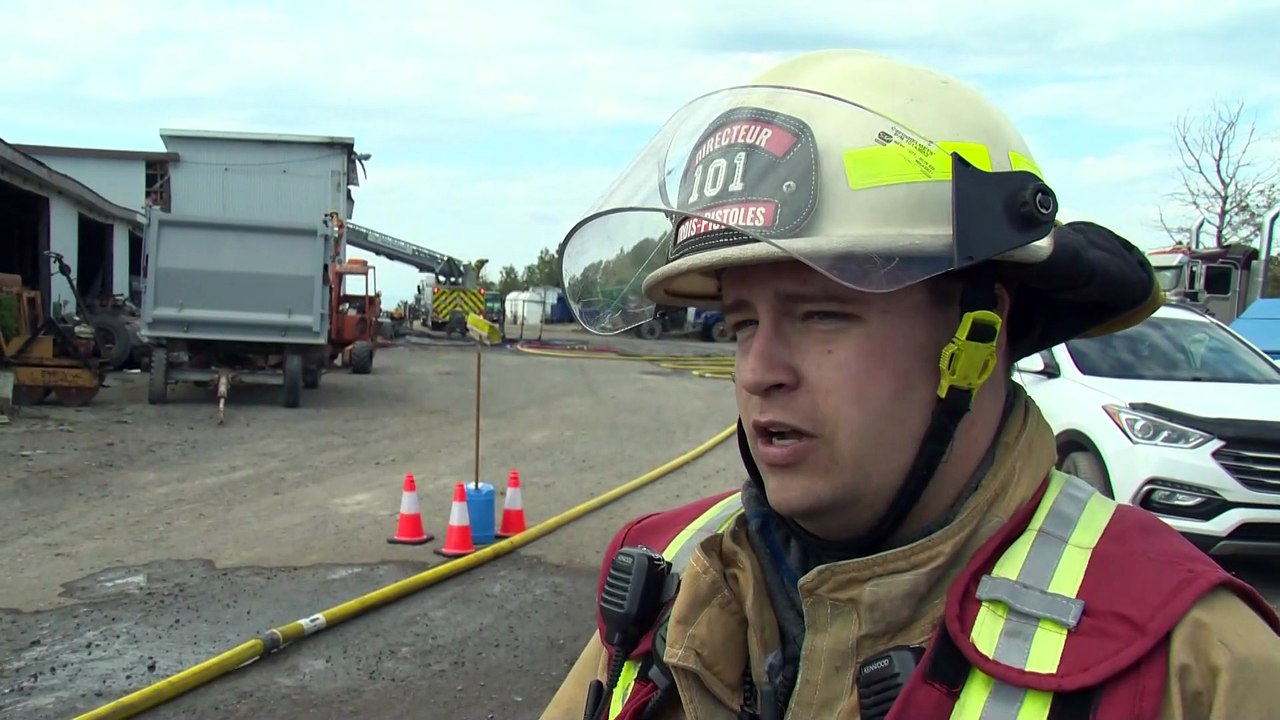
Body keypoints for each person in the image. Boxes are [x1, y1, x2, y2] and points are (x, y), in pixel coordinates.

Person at [541, 49, 1280, 720]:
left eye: (823, 315)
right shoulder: (668, 577)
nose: (761, 371)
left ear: (978, 335)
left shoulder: (1198, 663)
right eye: (741, 325)